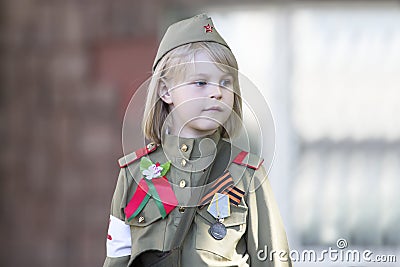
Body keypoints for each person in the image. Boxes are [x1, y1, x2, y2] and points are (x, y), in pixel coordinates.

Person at [103, 13, 292, 267]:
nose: (217, 92)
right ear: (166, 91)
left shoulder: (247, 175)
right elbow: (116, 259)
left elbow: (274, 262)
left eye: (226, 82)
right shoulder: (134, 174)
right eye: (201, 82)